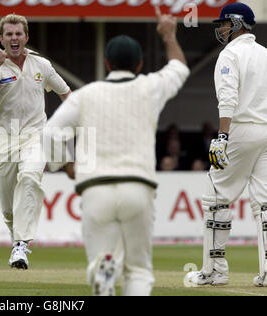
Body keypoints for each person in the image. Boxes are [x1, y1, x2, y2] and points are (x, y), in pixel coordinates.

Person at [45, 8, 189, 295]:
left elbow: (49, 133)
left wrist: (66, 165)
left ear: (106, 63)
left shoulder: (86, 94)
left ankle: (103, 270)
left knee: (102, 258)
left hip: (95, 188)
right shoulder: (150, 87)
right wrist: (169, 36)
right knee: (138, 270)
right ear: (140, 64)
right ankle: (109, 272)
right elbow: (179, 68)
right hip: (138, 188)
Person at [0, 14, 71, 270]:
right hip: (4, 140)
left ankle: (21, 246)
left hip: (36, 137)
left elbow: (66, 94)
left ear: (26, 37)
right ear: (1, 39)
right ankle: (17, 237)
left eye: (18, 34)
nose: (14, 38)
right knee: (8, 210)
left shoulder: (42, 65)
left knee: (30, 177)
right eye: (9, 34)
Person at [187, 2, 267, 287]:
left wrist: (222, 136)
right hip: (266, 133)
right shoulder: (264, 54)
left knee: (216, 198)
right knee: (265, 204)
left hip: (241, 130)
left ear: (236, 23)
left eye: (223, 23)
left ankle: (214, 271)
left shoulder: (230, 54)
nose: (220, 28)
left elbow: (228, 98)